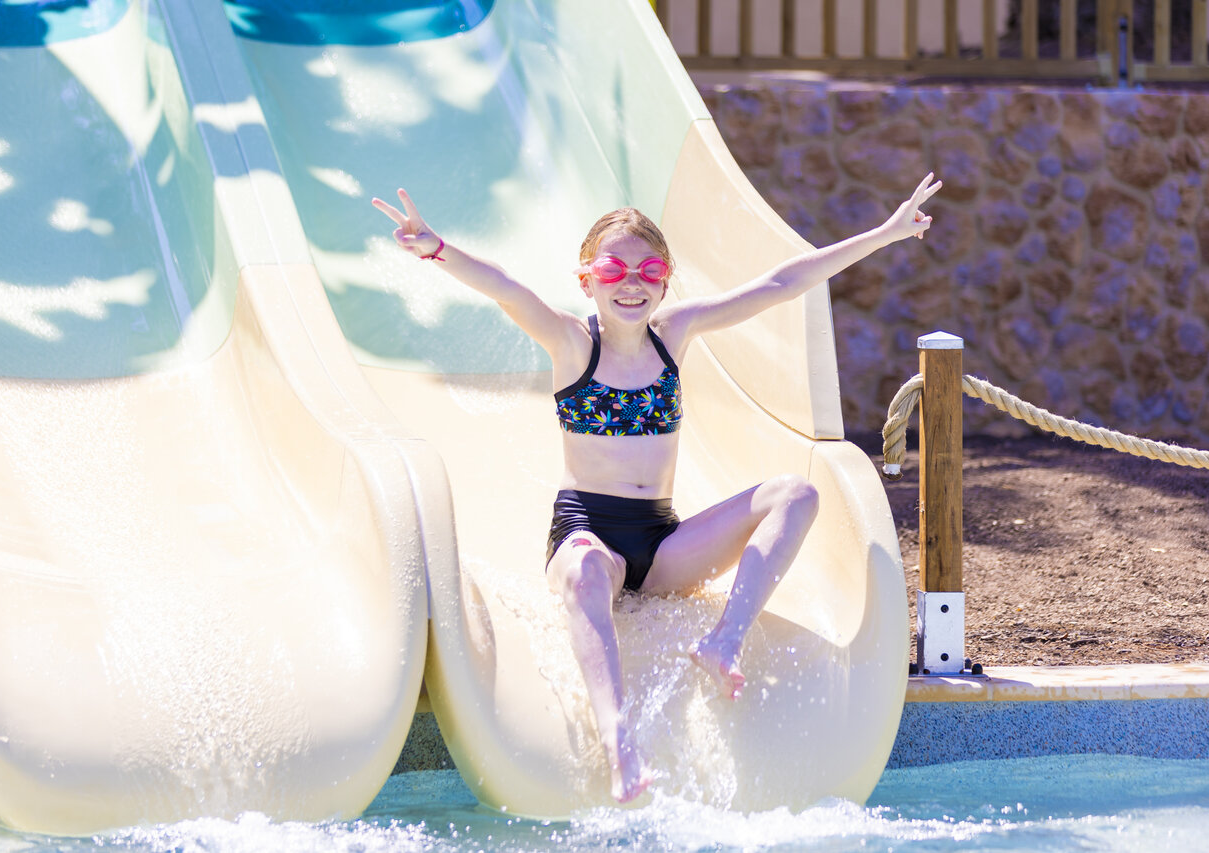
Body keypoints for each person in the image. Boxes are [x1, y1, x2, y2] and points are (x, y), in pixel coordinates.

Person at [372, 174, 941, 804]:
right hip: (586, 533)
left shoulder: (674, 335)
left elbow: (780, 284)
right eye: (614, 268)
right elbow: (506, 290)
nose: (632, 282)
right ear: (586, 278)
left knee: (795, 495)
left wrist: (885, 235)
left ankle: (725, 640)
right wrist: (436, 248)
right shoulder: (571, 342)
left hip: (663, 542)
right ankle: (619, 742)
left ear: (666, 280)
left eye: (650, 268)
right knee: (589, 572)